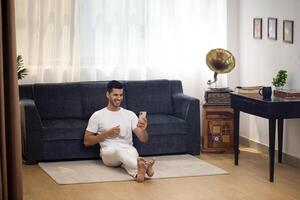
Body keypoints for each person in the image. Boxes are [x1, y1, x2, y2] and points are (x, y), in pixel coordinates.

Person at [84, 80, 155, 182]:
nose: (119, 98)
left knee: (130, 154)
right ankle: (145, 166)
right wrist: (106, 134)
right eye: (115, 95)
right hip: (109, 153)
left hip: (128, 150)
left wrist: (143, 130)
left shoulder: (130, 114)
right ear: (108, 94)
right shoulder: (97, 115)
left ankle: (138, 174)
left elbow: (143, 139)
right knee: (119, 152)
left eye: (121, 95)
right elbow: (86, 141)